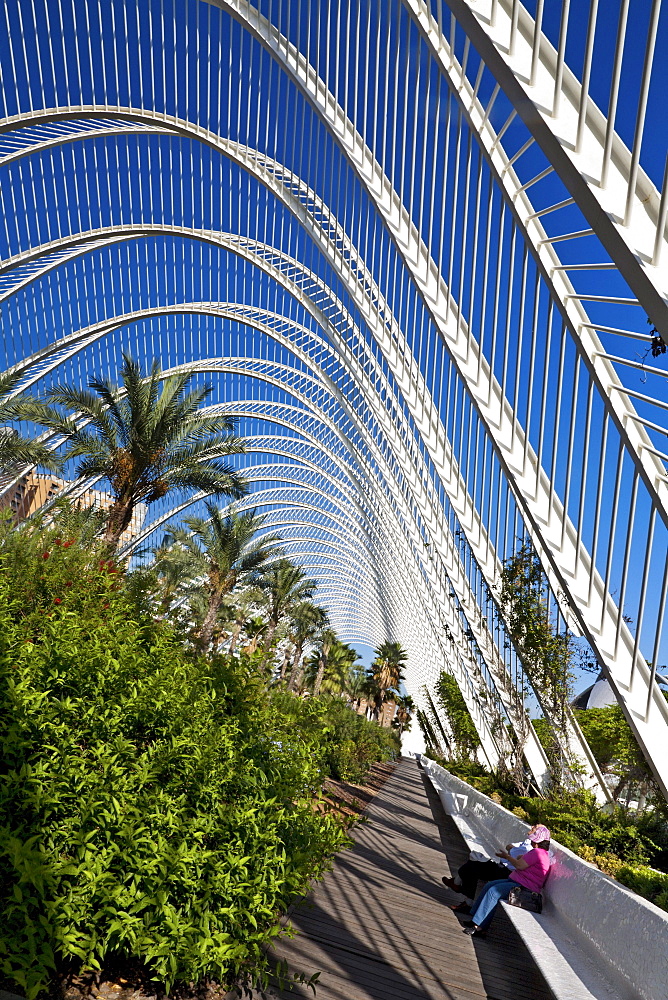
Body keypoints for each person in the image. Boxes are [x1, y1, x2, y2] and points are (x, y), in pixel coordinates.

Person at [461, 825, 551, 938]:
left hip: (523, 888)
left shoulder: (537, 853)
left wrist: (507, 857)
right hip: (517, 882)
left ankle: (479, 927)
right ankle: (475, 918)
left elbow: (519, 865)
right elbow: (523, 862)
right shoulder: (540, 853)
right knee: (490, 885)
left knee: (493, 892)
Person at [441, 824, 542, 914]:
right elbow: (509, 847)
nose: (532, 827)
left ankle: (462, 892)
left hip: (508, 873)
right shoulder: (527, 842)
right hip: (501, 866)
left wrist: (512, 851)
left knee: (474, 867)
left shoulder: (533, 850)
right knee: (473, 862)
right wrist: (512, 851)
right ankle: (463, 893)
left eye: (535, 828)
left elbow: (515, 854)